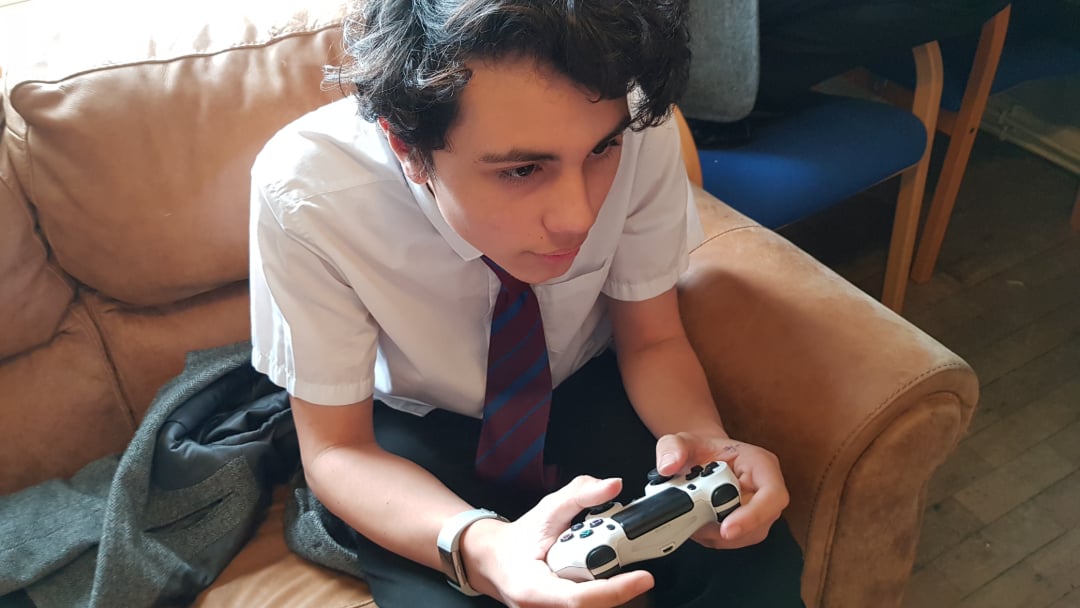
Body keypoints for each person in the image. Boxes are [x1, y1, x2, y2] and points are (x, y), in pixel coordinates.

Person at [249, 1, 803, 607]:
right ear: (406, 146)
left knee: (757, 572)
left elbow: (652, 339)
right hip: (418, 429)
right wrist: (483, 549)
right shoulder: (307, 194)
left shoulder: (635, 118)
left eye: (601, 151)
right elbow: (336, 448)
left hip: (585, 386)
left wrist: (706, 444)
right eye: (521, 170)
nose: (579, 218)